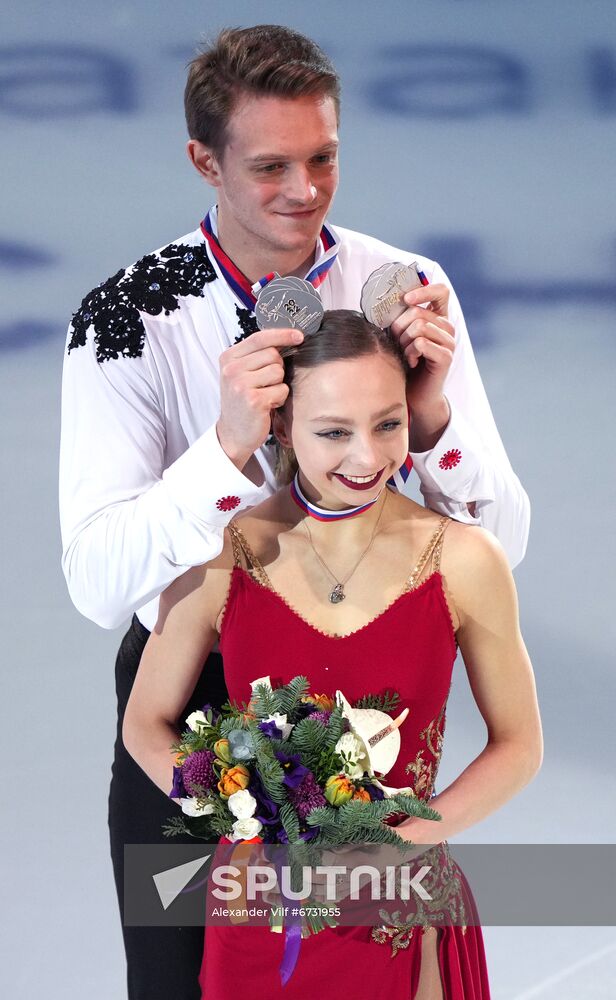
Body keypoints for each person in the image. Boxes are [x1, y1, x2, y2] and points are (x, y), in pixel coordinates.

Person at [58, 24, 531, 1000]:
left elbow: (499, 545)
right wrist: (227, 451)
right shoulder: (128, 316)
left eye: (322, 158)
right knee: (173, 979)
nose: (303, 189)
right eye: (269, 164)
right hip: (198, 714)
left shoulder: (403, 288)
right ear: (205, 161)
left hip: (373, 695)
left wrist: (434, 415)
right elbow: (100, 583)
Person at [122, 310, 543, 1000]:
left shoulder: (464, 558)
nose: (368, 458)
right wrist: (241, 805)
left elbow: (520, 745)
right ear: (283, 427)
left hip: (398, 909)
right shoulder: (222, 552)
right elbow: (146, 723)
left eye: (387, 425)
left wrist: (406, 843)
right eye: (333, 432)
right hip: (259, 913)